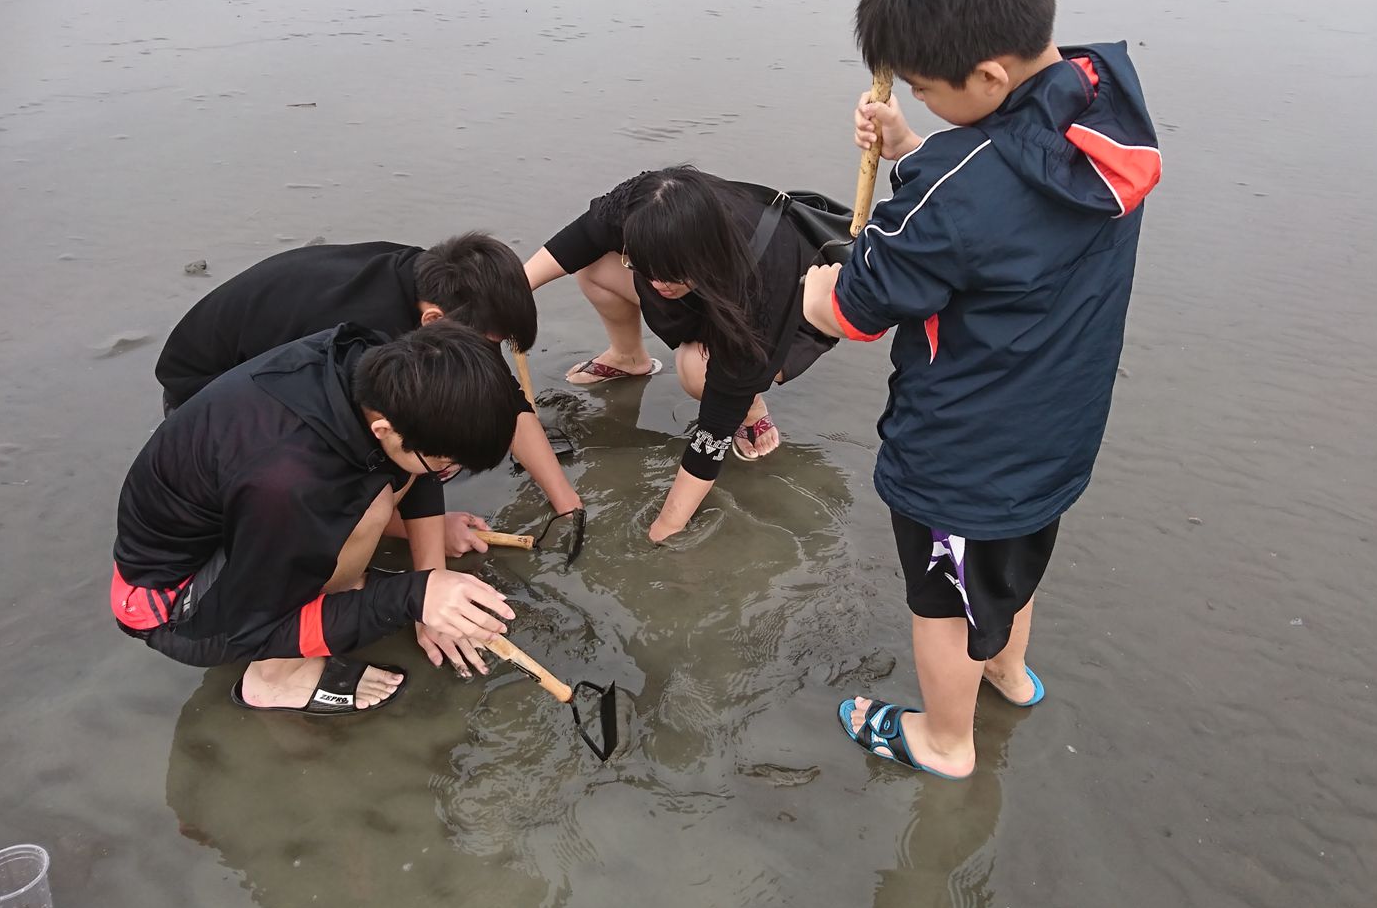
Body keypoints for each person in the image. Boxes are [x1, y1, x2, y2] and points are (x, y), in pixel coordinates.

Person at [802, 0, 1161, 778]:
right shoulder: (1102, 110)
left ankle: (944, 740)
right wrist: (912, 149)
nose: (919, 100)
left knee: (944, 602)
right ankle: (1008, 673)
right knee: (1009, 566)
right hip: (1056, 431)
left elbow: (858, 307)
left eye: (925, 90)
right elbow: (1003, 200)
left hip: (962, 455)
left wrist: (815, 288)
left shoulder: (958, 194)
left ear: (991, 76)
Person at [113, 322, 526, 712]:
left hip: (235, 521)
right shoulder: (288, 484)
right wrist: (413, 596)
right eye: (445, 465)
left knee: (382, 488)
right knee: (369, 507)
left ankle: (339, 586)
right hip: (168, 604)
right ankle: (276, 679)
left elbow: (416, 460)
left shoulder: (373, 364)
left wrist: (430, 573)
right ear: (383, 430)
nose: (446, 474)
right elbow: (251, 624)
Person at [153, 233, 584, 552]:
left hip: (269, 363)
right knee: (387, 460)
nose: (490, 355)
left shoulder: (437, 282)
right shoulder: (366, 340)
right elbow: (403, 449)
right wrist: (429, 540)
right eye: (488, 344)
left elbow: (503, 396)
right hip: (204, 397)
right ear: (433, 322)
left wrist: (566, 502)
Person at [523, 166, 836, 542]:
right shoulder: (644, 204)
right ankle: (627, 357)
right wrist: (510, 293)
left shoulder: (763, 282)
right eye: (644, 269)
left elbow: (712, 432)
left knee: (697, 370)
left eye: (669, 275)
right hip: (702, 289)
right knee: (591, 266)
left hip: (786, 314)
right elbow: (584, 237)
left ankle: (751, 406)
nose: (657, 284)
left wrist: (668, 525)